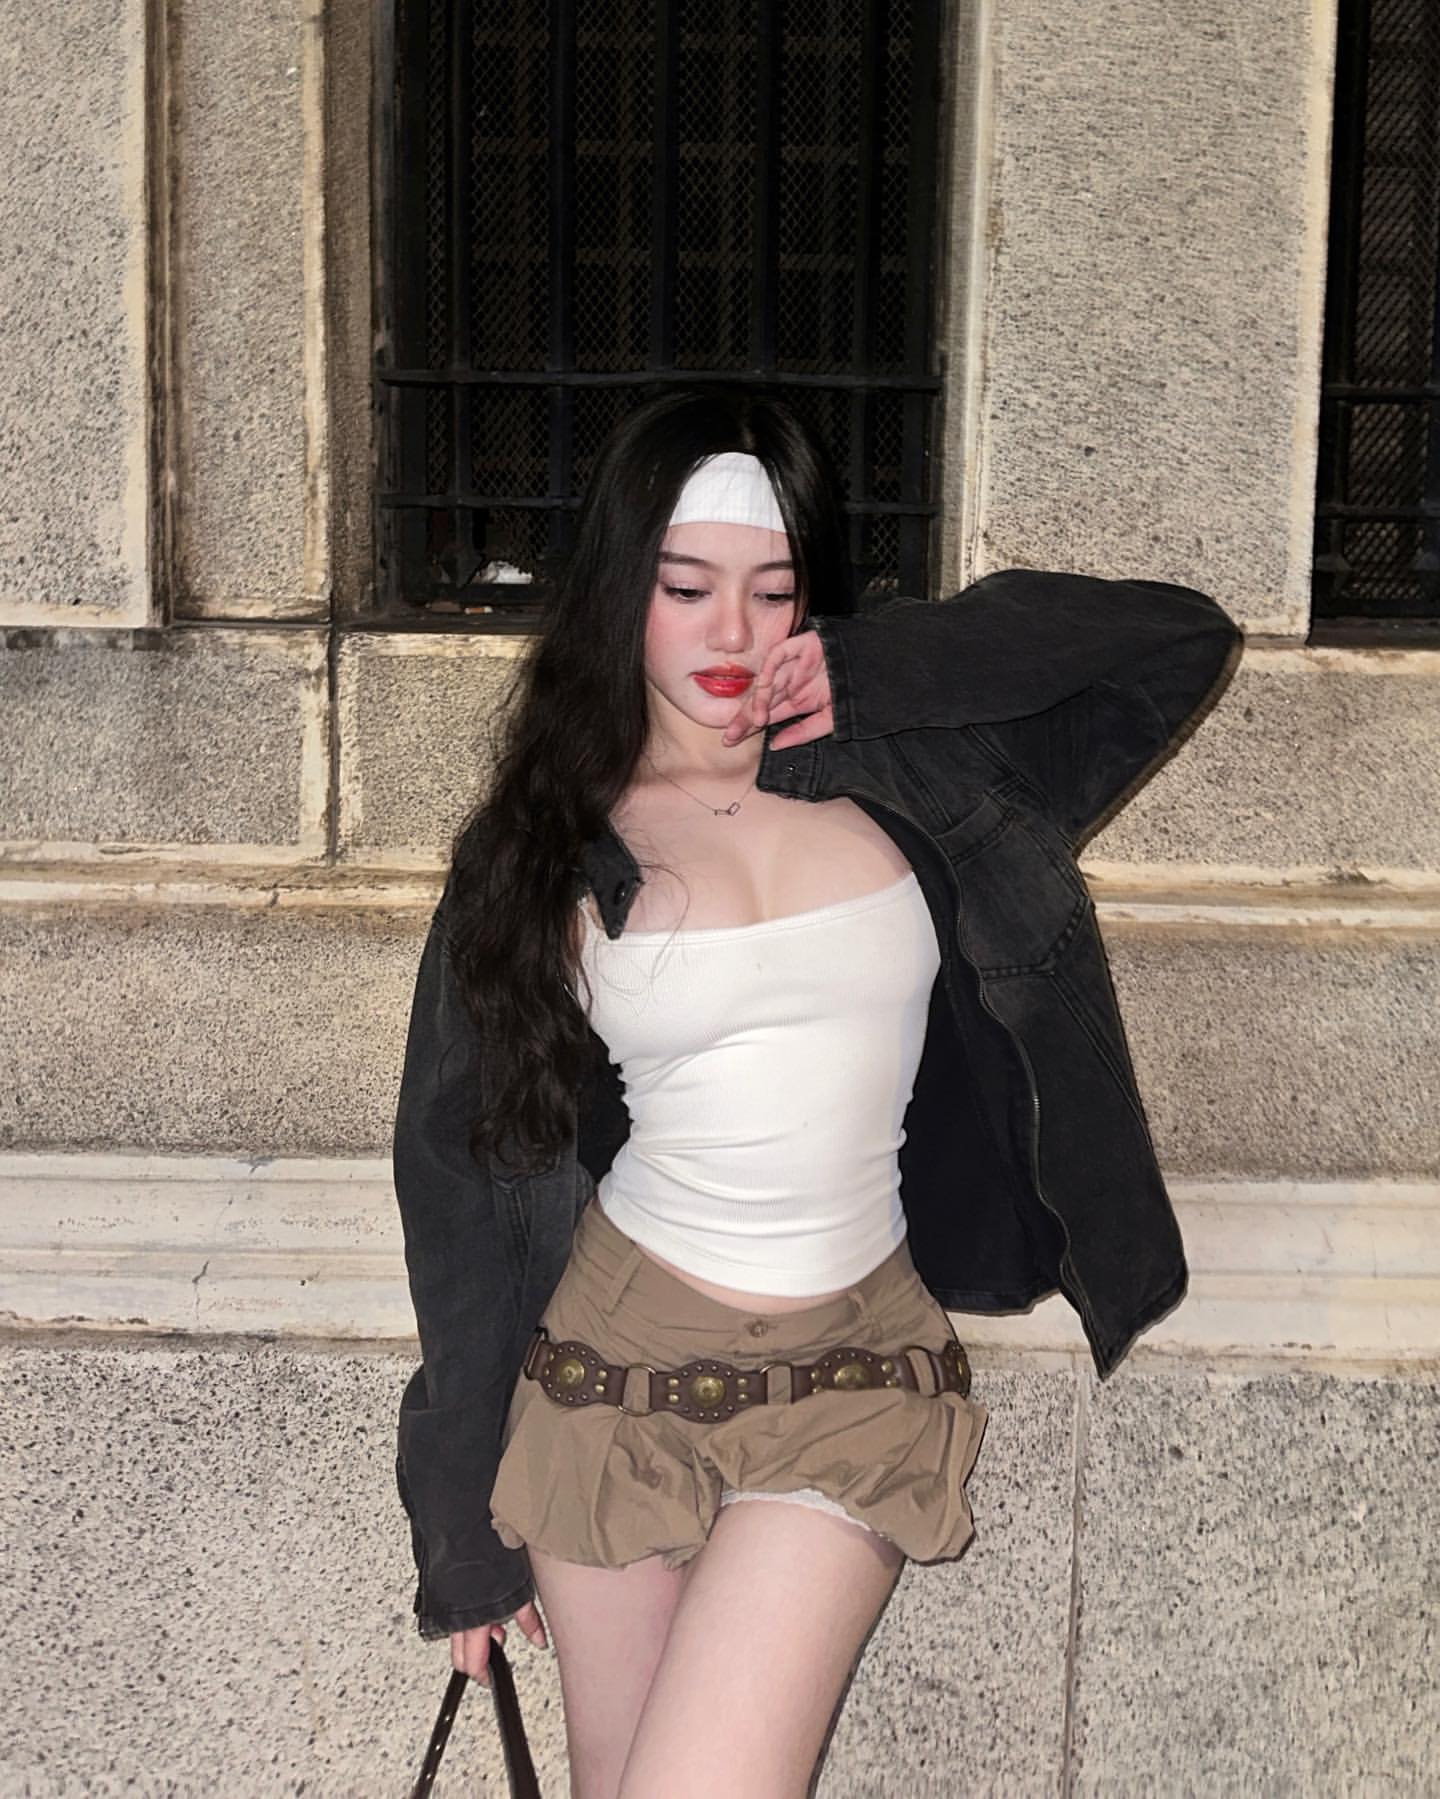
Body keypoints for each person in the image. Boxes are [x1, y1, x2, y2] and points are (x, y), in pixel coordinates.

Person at [392, 385, 1242, 1798]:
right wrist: (458, 1529)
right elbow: (465, 1183)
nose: (732, 634)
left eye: (774, 590)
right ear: (620, 592)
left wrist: (885, 664)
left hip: (854, 1370)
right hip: (606, 1377)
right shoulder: (544, 848)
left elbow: (1178, 639)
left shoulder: (923, 774)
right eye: (685, 588)